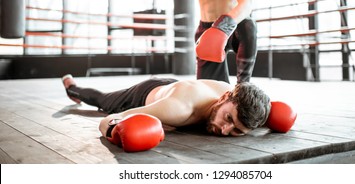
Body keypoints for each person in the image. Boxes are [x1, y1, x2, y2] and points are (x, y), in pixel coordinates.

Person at [61, 74, 271, 138]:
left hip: (174, 85)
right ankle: (72, 87)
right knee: (103, 101)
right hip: (145, 94)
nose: (225, 131)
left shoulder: (239, 99)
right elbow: (111, 118)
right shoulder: (179, 109)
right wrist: (114, 129)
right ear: (224, 98)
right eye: (228, 119)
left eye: (237, 131)